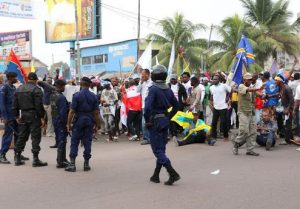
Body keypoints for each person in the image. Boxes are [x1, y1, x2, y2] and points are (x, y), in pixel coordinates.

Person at [144, 65, 180, 186]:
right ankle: (156, 175)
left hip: (155, 121)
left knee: (157, 150)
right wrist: (167, 115)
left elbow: (147, 107)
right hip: (165, 120)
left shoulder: (153, 89)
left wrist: (147, 120)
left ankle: (172, 173)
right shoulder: (168, 89)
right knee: (162, 149)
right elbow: (176, 105)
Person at [65, 77, 100, 172]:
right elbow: (96, 113)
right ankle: (86, 164)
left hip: (78, 121)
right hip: (89, 120)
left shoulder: (76, 96)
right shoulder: (93, 96)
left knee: (75, 141)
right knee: (87, 141)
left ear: (81, 84)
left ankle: (72, 164)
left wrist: (68, 124)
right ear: (89, 85)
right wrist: (97, 125)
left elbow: (71, 111)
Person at [13, 73, 47, 167]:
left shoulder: (19, 89)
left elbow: (14, 104)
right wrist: (42, 117)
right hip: (34, 115)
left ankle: (18, 157)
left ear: (28, 79)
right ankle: (35, 159)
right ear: (36, 80)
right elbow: (39, 105)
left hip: (23, 114)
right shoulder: (37, 89)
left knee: (22, 136)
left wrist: (16, 116)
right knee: (35, 137)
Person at [0, 72, 29, 164]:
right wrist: (4, 117)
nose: (16, 79)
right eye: (15, 78)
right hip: (8, 116)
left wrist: (18, 115)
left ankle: (18, 153)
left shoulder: (13, 88)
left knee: (18, 134)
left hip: (15, 116)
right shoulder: (4, 88)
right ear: (10, 78)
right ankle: (2, 155)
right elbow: (2, 104)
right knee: (8, 136)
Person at [232, 73, 262, 156]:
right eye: (248, 79)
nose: (250, 81)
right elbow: (249, 90)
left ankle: (250, 150)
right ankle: (236, 143)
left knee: (253, 132)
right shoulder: (241, 86)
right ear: (244, 80)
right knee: (244, 131)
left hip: (251, 112)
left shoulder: (252, 88)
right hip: (243, 112)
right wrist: (258, 88)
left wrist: (265, 95)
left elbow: (258, 94)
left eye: (251, 79)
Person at [48, 79, 70, 168]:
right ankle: (60, 161)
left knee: (60, 140)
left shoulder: (52, 95)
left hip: (55, 120)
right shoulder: (61, 97)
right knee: (62, 141)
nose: (64, 88)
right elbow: (63, 112)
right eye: (64, 86)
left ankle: (63, 159)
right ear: (60, 86)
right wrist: (66, 124)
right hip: (60, 121)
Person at [209, 74, 231, 142]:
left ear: (219, 80)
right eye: (213, 79)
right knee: (214, 123)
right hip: (216, 107)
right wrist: (211, 103)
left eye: (216, 79)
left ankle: (226, 136)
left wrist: (227, 97)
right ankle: (214, 136)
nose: (214, 80)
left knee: (223, 122)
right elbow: (212, 96)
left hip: (223, 107)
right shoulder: (211, 87)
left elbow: (230, 90)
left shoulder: (224, 86)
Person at [275, 74, 294, 145]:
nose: (275, 82)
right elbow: (281, 95)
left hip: (288, 108)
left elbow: (292, 99)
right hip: (285, 108)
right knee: (287, 123)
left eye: (276, 80)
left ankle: (287, 140)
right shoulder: (281, 87)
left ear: (280, 81)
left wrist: (288, 109)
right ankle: (290, 138)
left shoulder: (286, 88)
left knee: (287, 124)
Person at [168, 74, 187, 140]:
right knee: (171, 119)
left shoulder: (180, 86)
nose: (172, 81)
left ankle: (176, 131)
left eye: (174, 79)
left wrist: (184, 100)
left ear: (177, 79)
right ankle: (173, 132)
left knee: (177, 119)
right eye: (171, 79)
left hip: (178, 105)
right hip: (170, 105)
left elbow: (185, 94)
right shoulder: (168, 86)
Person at [38, 77, 56, 144]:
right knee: (48, 119)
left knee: (45, 119)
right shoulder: (51, 87)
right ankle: (48, 132)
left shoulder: (47, 86)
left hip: (47, 104)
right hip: (47, 104)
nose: (48, 81)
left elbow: (40, 82)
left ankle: (46, 132)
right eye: (48, 80)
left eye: (49, 80)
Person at [138, 69, 153, 145]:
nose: (142, 76)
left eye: (143, 74)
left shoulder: (152, 83)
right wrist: (140, 82)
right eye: (141, 74)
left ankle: (150, 138)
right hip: (144, 106)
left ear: (148, 74)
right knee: (144, 122)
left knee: (151, 122)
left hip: (151, 106)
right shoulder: (142, 83)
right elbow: (137, 91)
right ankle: (146, 138)